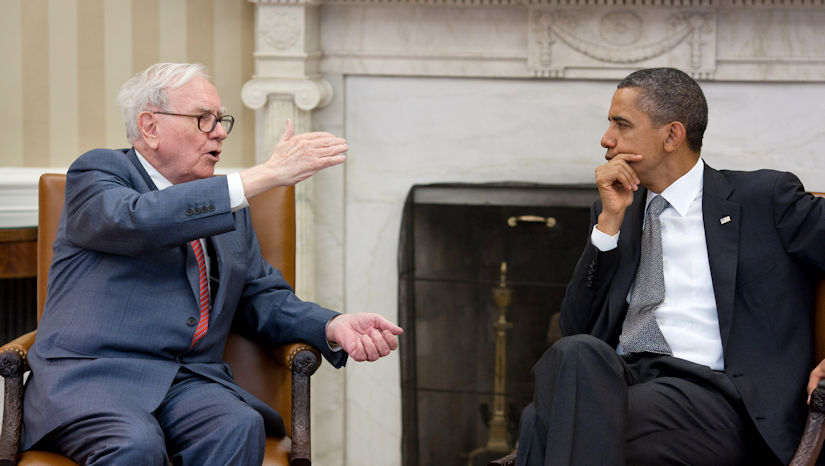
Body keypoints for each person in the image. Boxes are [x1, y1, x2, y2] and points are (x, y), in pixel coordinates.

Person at [21, 62, 403, 465]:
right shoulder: (99, 174)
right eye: (204, 119)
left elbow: (261, 296)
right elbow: (137, 219)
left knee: (238, 425)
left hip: (187, 382)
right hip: (94, 378)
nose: (219, 131)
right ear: (149, 126)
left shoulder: (230, 210)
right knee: (135, 445)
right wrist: (266, 175)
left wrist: (331, 324)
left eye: (220, 120)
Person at [514, 68, 825, 465]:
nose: (606, 140)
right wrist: (607, 226)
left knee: (540, 422)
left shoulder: (765, 199)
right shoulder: (615, 213)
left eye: (621, 125)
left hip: (716, 400)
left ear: (672, 135)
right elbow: (577, 327)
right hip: (621, 380)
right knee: (574, 353)